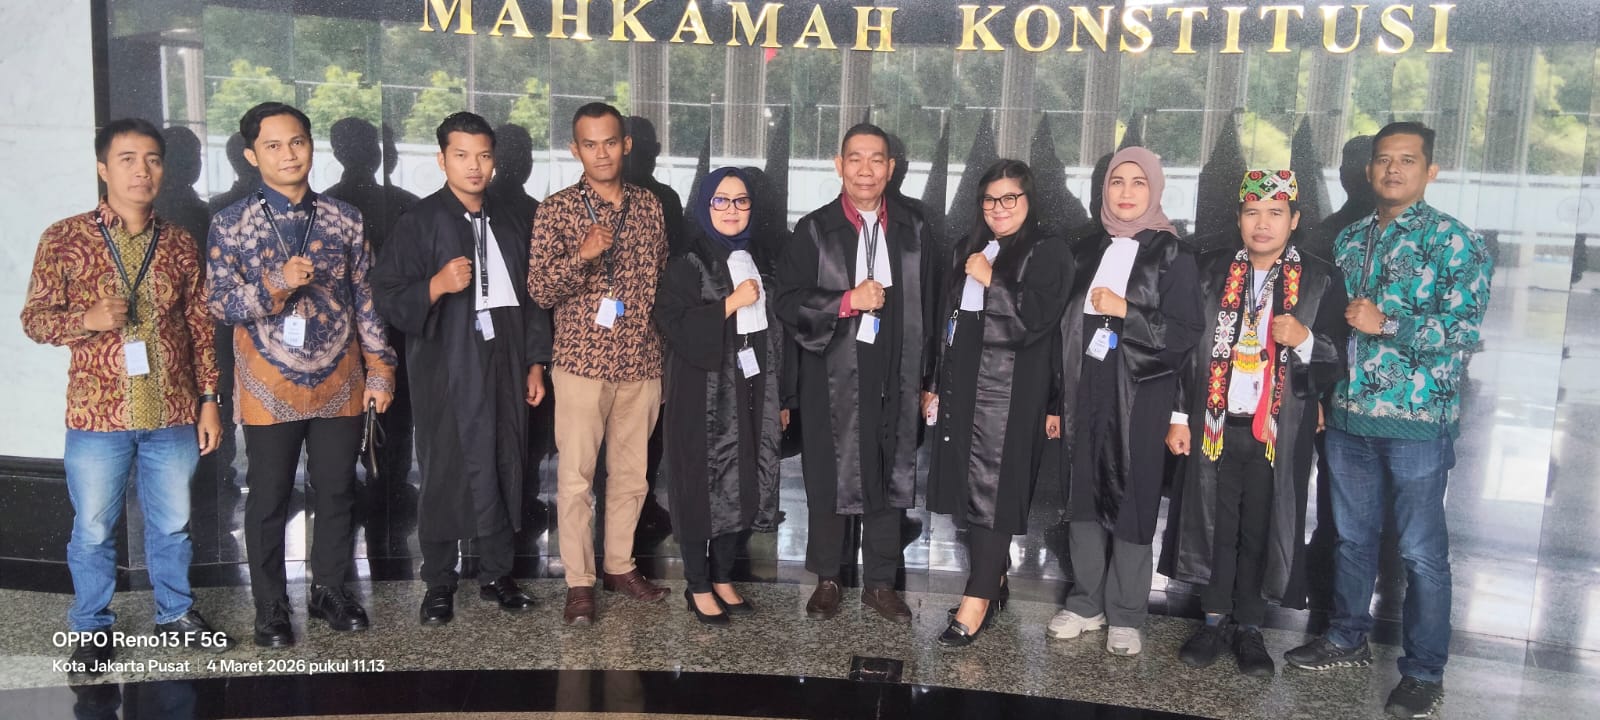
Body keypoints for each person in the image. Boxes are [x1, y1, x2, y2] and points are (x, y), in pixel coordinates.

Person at [1284, 122, 1494, 719]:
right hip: (1348, 418)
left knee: (1422, 553)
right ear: (1369, 170)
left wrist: (1389, 324)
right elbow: (1328, 329)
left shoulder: (1456, 241)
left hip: (1417, 422)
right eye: (1383, 159)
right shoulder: (1350, 239)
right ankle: (1346, 638)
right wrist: (1322, 395)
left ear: (1431, 171)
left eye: (1407, 159)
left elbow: (1466, 331)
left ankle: (1424, 672)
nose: (1393, 169)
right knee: (1351, 539)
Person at [22, 118, 233, 678]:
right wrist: (85, 320)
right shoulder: (64, 238)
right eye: (127, 159)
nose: (142, 170)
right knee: (93, 528)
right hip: (97, 415)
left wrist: (210, 399)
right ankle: (91, 628)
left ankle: (175, 614)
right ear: (103, 169)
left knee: (173, 524)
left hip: (174, 412)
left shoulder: (180, 242)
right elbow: (34, 320)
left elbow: (200, 326)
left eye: (152, 160)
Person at [206, 102, 397, 648]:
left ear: (311, 146)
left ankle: (329, 590)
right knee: (268, 497)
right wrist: (276, 282)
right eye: (273, 146)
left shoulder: (345, 217)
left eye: (297, 142)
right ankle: (270, 604)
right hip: (268, 385)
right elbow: (219, 303)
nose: (288, 154)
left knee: (337, 490)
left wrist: (381, 370)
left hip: (341, 380)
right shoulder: (230, 222)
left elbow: (366, 299)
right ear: (252, 156)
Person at [1161, 170, 1349, 677]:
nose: (1262, 224)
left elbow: (1339, 358)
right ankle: (1212, 621)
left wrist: (1305, 338)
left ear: (1295, 219)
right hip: (1214, 425)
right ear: (1239, 218)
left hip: (1277, 433)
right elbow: (1184, 347)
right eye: (1252, 212)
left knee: (1261, 528)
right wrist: (1178, 416)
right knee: (1214, 525)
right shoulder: (1210, 270)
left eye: (1275, 213)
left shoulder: (1321, 278)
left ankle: (1249, 627)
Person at [372, 112, 552, 626]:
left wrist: (536, 363)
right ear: (442, 159)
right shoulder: (420, 221)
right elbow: (386, 293)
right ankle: (439, 581)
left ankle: (497, 573)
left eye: (484, 156)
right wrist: (435, 285)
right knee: (445, 469)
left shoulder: (512, 220)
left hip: (506, 361)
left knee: (505, 461)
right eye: (462, 155)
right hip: (446, 367)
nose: (474, 166)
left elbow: (533, 300)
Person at [1045, 146, 1202, 655]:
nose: (1127, 193)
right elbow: (1060, 333)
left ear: (1155, 190)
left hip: (1142, 397)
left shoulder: (1173, 254)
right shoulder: (1086, 251)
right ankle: (1086, 603)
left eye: (1138, 183)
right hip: (1083, 392)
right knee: (1083, 499)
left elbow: (1185, 333)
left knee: (1132, 502)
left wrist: (1126, 311)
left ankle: (1128, 613)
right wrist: (1056, 401)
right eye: (1117, 182)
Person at [775, 123, 934, 624]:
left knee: (889, 470)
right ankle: (828, 578)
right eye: (856, 158)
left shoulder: (914, 229)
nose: (866, 169)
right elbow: (787, 301)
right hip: (831, 373)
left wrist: (929, 380)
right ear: (839, 164)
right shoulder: (815, 229)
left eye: (877, 159)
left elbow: (933, 304)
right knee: (829, 473)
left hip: (896, 371)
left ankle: (880, 584)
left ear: (891, 167)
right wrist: (846, 301)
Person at [528, 102, 671, 625]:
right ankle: (579, 581)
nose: (601, 153)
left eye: (610, 142)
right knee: (576, 478)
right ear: (576, 150)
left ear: (625, 145)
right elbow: (540, 289)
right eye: (590, 144)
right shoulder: (557, 210)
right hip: (581, 362)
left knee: (632, 476)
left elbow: (661, 279)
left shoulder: (649, 206)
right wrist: (583, 256)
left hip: (641, 360)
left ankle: (619, 566)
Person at [924, 159, 1073, 646]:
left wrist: (993, 279)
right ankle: (995, 578)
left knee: (994, 486)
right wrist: (935, 382)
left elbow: (1039, 319)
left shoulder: (1047, 251)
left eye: (1010, 198)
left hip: (1011, 389)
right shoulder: (967, 248)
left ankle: (977, 599)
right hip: (962, 380)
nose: (999, 208)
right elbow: (947, 322)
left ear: (1028, 201)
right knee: (966, 485)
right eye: (990, 199)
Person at [652, 167, 785, 625]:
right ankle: (698, 584)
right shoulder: (688, 262)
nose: (732, 210)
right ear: (705, 206)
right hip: (701, 393)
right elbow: (672, 322)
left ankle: (724, 576)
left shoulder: (760, 258)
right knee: (698, 486)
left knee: (742, 481)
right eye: (721, 201)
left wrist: (781, 397)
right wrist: (730, 303)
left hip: (752, 387)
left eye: (741, 201)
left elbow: (776, 330)